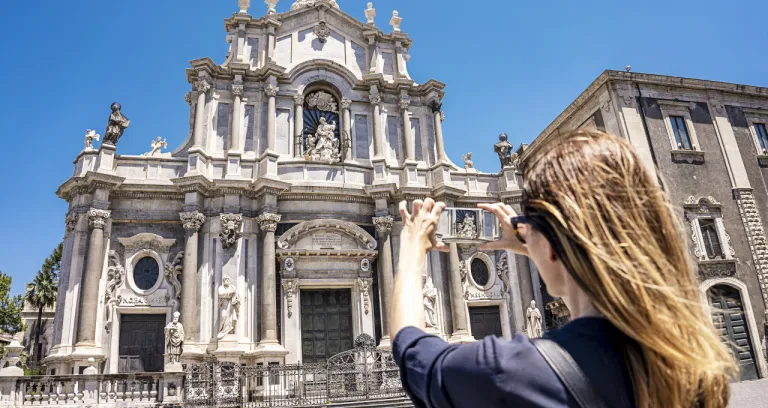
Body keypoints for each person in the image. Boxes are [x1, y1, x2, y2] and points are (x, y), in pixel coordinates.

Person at [391, 129, 735, 408]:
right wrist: (542, 243)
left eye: (530, 225)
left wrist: (411, 249)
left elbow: (412, 353)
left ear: (554, 246)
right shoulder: (695, 367)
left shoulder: (512, 373)